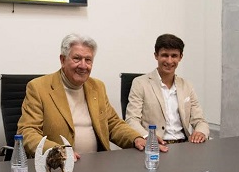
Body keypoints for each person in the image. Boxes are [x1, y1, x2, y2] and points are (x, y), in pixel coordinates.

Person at [17, 33, 166, 160]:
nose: (83, 65)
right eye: (77, 58)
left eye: (88, 60)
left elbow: (113, 124)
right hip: (59, 167)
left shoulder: (97, 87)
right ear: (63, 60)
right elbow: (27, 132)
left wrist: (137, 138)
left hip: (97, 165)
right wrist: (56, 151)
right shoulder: (38, 87)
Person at [125, 34, 209, 144]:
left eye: (174, 56)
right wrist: (148, 137)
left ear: (180, 57)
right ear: (156, 55)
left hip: (184, 144)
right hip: (154, 145)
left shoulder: (187, 86)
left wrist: (200, 132)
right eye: (165, 55)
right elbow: (131, 120)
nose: (169, 61)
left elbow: (199, 120)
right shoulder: (140, 83)